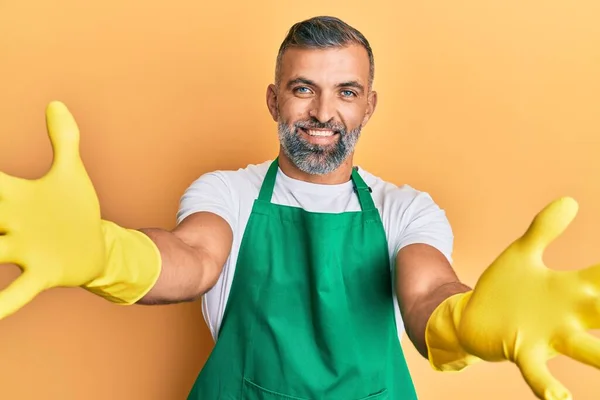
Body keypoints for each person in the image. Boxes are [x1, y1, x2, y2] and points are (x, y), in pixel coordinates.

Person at [0, 15, 596, 400]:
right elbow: (193, 257)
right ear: (274, 99)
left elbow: (426, 294)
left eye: (347, 92)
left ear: (369, 107)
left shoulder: (405, 210)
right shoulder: (227, 193)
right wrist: (106, 253)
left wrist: (465, 322)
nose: (322, 113)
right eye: (303, 88)